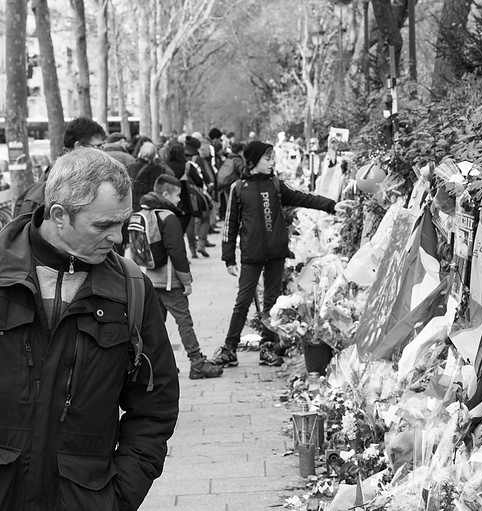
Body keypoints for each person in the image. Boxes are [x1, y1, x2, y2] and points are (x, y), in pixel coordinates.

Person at [0, 147, 179, 509]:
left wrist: (119, 496)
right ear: (60, 215)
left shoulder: (131, 290)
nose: (118, 238)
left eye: (122, 222)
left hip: (84, 498)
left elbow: (155, 406)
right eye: (103, 225)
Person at [213, 140, 351, 367]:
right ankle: (229, 348)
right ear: (253, 161)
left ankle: (267, 347)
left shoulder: (276, 185)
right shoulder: (238, 188)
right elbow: (230, 224)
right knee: (242, 302)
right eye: (267, 158)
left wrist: (332, 205)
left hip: (276, 253)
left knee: (271, 304)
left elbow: (305, 197)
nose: (272, 162)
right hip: (251, 255)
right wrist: (228, 257)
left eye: (272, 158)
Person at [136, 174, 223, 380]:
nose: (178, 201)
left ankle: (157, 366)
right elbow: (177, 252)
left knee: (154, 326)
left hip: (148, 277)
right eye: (177, 196)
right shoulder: (168, 217)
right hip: (169, 281)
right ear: (166, 194)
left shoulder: (143, 212)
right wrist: (186, 281)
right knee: (184, 322)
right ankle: (197, 362)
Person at [13, 116, 108, 217]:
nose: (103, 152)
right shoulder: (40, 196)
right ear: (78, 146)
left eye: (102, 146)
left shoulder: (92, 181)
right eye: (98, 147)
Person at [127, 141, 175, 212]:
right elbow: (171, 174)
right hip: (153, 204)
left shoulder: (131, 167)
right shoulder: (160, 169)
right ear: (155, 154)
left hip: (135, 204)